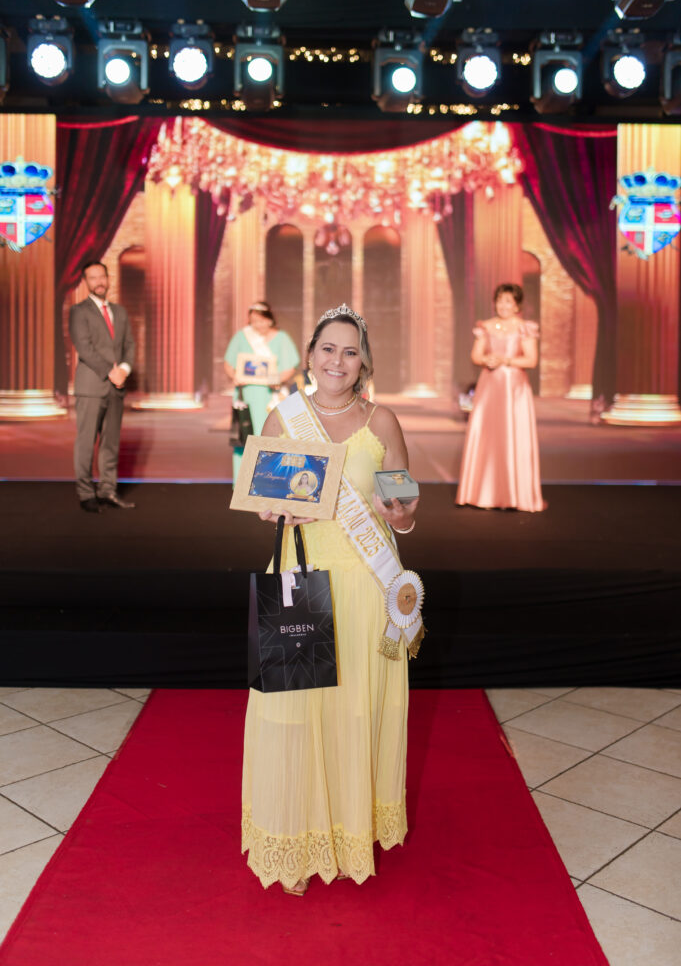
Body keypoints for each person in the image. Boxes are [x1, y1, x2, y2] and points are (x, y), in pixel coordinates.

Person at [241, 304, 422, 895]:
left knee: (354, 713)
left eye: (350, 351)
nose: (337, 361)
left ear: (363, 361)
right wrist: (273, 507)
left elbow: (404, 508)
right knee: (295, 714)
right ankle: (295, 839)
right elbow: (264, 500)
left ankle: (347, 836)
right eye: (327, 349)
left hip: (366, 587)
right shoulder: (283, 417)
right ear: (310, 355)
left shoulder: (383, 421)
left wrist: (399, 512)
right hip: (302, 581)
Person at [456, 282, 543, 512]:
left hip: (514, 389)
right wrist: (487, 359)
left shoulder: (524, 328)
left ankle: (515, 495)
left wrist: (505, 360)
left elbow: (531, 360)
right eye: (500, 301)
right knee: (487, 435)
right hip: (489, 386)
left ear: (517, 305)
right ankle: (483, 493)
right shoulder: (486, 326)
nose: (503, 306)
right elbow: (476, 356)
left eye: (508, 301)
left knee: (513, 435)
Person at [68, 261, 135, 513]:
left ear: (108, 279)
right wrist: (111, 371)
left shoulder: (120, 311)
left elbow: (129, 345)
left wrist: (124, 369)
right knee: (86, 443)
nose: (99, 282)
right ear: (86, 282)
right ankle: (86, 494)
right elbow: (84, 348)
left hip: (116, 387)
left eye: (102, 277)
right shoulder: (78, 311)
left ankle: (108, 491)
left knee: (111, 444)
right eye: (93, 277)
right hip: (91, 386)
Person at [224, 301, 300, 480]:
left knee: (272, 436)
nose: (257, 325)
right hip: (246, 395)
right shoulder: (242, 336)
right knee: (245, 437)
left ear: (270, 320)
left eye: (260, 321)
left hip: (270, 396)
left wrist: (276, 379)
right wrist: (235, 376)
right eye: (253, 321)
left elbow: (290, 368)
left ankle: (269, 481)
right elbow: (228, 363)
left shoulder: (282, 338)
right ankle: (243, 481)